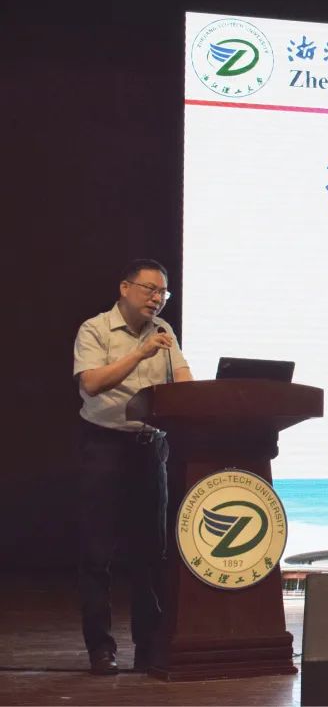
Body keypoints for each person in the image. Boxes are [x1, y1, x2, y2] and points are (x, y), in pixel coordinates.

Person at [72, 259, 193, 675]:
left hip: (149, 448)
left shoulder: (164, 332)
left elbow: (183, 381)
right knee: (97, 553)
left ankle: (149, 646)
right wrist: (140, 352)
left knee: (151, 554)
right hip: (104, 446)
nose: (157, 299)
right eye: (150, 290)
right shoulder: (95, 329)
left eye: (163, 293)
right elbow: (91, 383)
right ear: (125, 288)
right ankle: (101, 649)